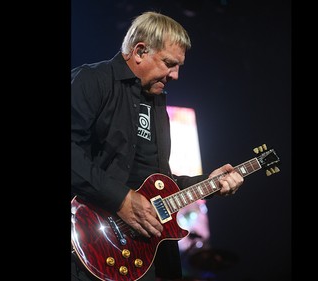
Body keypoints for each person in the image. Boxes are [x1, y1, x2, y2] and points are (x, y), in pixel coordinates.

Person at [71, 11, 244, 281]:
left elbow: (159, 182)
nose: (175, 75)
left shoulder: (157, 105)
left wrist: (208, 183)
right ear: (140, 51)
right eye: (169, 63)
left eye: (179, 66)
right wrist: (121, 199)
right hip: (88, 247)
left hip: (143, 255)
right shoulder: (91, 81)